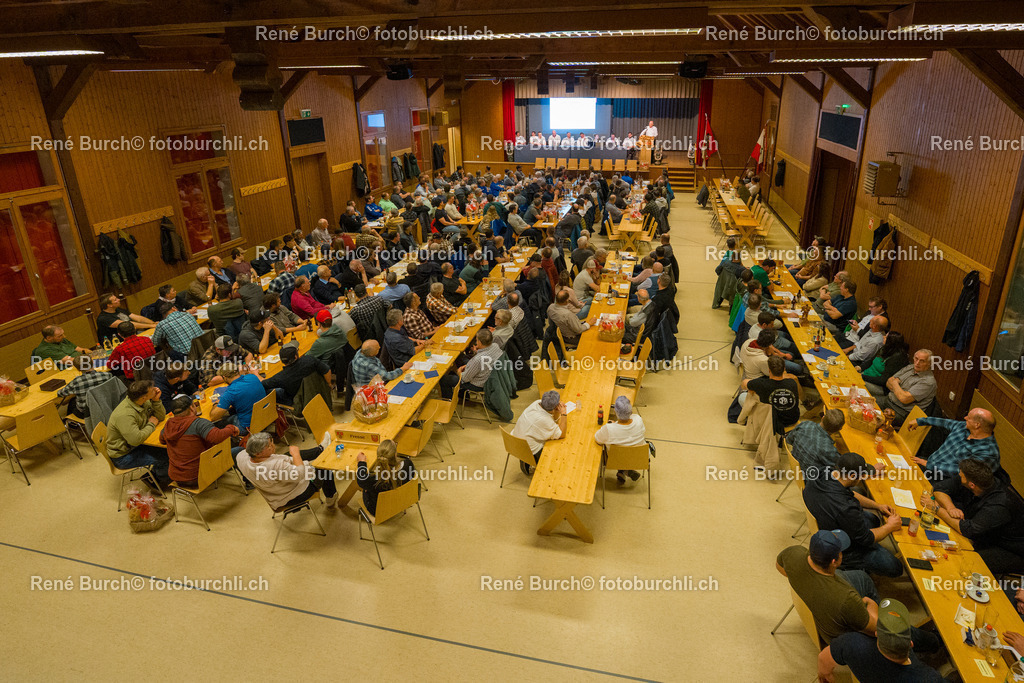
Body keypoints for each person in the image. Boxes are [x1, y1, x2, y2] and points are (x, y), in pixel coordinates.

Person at [803, 452, 903, 577]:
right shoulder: (846, 508)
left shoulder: (824, 472)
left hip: (825, 521)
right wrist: (890, 526)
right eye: (861, 475)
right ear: (851, 475)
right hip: (843, 548)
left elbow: (850, 494)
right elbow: (867, 538)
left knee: (873, 519)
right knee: (896, 568)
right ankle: (854, 565)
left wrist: (877, 505)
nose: (862, 478)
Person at [925, 458, 1024, 574]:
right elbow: (939, 488)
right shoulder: (974, 478)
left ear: (972, 485)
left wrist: (936, 508)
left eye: (960, 476)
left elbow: (968, 529)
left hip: (1010, 549)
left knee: (966, 563)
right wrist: (950, 508)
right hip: (984, 530)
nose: (958, 476)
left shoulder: (999, 505)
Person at [818, 598, 944, 683]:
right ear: (910, 644)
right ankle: (936, 641)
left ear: (877, 634)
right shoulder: (929, 678)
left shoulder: (852, 642)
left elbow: (823, 659)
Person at [237, 431, 338, 509]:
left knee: (287, 455)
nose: (273, 446)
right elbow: (300, 474)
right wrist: (297, 455)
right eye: (269, 446)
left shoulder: (242, 457)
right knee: (323, 466)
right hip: (293, 495)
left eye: (271, 442)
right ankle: (331, 497)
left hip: (276, 493)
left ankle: (320, 450)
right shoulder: (274, 466)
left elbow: (235, 452)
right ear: (258, 453)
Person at [160, 395, 240, 488]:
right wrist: (231, 427)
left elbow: (162, 440)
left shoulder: (168, 424)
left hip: (177, 478)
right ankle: (249, 483)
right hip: (199, 476)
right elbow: (217, 437)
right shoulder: (198, 423)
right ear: (191, 407)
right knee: (239, 450)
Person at [106, 380, 170, 487]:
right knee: (167, 458)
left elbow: (160, 417)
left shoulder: (142, 401)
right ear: (143, 397)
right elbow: (135, 440)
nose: (155, 389)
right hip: (124, 455)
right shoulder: (125, 415)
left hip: (138, 444)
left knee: (171, 450)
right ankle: (154, 481)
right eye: (152, 390)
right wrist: (151, 425)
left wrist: (156, 400)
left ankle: (156, 473)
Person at [906, 407, 999, 479]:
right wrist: (921, 421)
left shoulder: (988, 452)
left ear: (977, 425)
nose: (965, 418)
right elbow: (944, 422)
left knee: (903, 476)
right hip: (929, 464)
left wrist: (928, 464)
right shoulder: (963, 426)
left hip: (945, 479)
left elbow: (963, 472)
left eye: (969, 417)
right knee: (900, 465)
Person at [740, 356, 800, 436]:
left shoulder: (761, 384)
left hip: (772, 422)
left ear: (769, 370)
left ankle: (750, 421)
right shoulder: (792, 383)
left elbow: (743, 384)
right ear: (784, 369)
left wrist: (753, 387)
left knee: (742, 397)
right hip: (792, 420)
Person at [594, 396, 647, 485]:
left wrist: (613, 425)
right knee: (627, 446)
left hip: (615, 460)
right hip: (639, 459)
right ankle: (625, 471)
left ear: (615, 411)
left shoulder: (609, 429)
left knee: (616, 449)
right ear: (630, 410)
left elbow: (597, 439)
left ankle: (623, 470)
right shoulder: (638, 420)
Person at [511, 390, 566, 475]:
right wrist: (564, 414)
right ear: (554, 407)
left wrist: (556, 411)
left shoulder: (537, 403)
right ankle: (531, 464)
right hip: (529, 451)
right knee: (560, 445)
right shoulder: (544, 420)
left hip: (515, 441)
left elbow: (554, 420)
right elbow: (561, 434)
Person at [356, 439, 417, 515]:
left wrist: (361, 462)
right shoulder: (408, 464)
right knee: (368, 486)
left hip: (378, 511)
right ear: (395, 454)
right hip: (403, 501)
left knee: (366, 488)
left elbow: (361, 479)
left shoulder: (374, 479)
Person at [878, 349, 936, 426]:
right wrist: (900, 391)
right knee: (862, 402)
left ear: (929, 364)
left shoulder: (928, 382)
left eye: (922, 361)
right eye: (916, 358)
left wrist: (895, 383)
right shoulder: (910, 367)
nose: (917, 363)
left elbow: (904, 399)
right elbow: (888, 382)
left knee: (874, 418)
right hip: (888, 400)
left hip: (900, 412)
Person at [262, 344, 331, 407]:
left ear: (282, 361)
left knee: (267, 391)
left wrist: (256, 373)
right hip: (316, 393)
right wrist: (329, 385)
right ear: (295, 356)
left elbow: (263, 384)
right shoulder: (310, 360)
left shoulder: (281, 377)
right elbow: (327, 370)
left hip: (296, 402)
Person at [785, 409, 845, 479]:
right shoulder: (828, 449)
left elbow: (789, 439)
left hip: (796, 468)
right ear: (839, 429)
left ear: (822, 418)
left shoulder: (805, 424)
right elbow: (840, 466)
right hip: (812, 480)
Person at [209, 362, 265, 432]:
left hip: (248, 426)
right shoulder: (252, 377)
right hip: (265, 416)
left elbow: (213, 417)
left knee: (218, 422)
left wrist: (216, 403)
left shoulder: (230, 392)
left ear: (224, 377)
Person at [859, 331, 910, 398]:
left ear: (890, 342)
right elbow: (871, 361)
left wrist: (862, 377)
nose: (883, 337)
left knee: (855, 384)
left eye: (886, 337)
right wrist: (859, 367)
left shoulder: (897, 358)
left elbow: (883, 380)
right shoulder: (884, 348)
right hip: (866, 375)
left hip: (879, 386)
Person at [456, 329, 502, 394]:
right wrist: (469, 365)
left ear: (480, 342)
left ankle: (455, 399)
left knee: (445, 379)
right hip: (489, 375)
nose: (476, 342)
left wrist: (459, 372)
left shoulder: (478, 359)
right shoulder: (495, 346)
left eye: (477, 340)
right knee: (460, 356)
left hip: (478, 385)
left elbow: (465, 379)